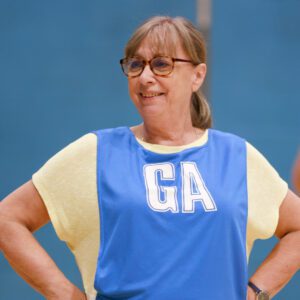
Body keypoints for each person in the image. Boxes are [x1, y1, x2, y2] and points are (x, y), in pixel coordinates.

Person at [0, 16, 300, 300]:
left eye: (161, 64)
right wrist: (65, 294)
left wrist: (256, 291)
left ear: (197, 75)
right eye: (135, 65)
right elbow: (7, 218)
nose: (145, 77)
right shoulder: (97, 152)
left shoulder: (236, 157)